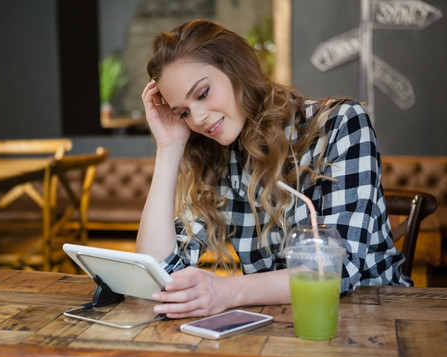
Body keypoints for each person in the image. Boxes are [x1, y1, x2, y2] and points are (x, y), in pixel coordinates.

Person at [137, 19, 412, 319]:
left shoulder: (341, 124)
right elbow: (158, 271)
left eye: (202, 93)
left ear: (235, 69)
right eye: (184, 112)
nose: (198, 118)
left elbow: (336, 272)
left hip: (375, 317)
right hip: (275, 324)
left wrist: (226, 291)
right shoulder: (217, 159)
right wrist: (169, 147)